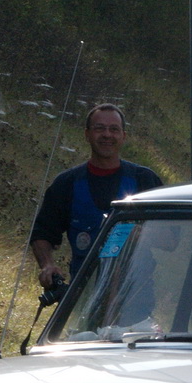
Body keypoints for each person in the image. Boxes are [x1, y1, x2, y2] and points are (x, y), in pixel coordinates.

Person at [30, 104, 163, 289]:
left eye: (114, 129)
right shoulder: (67, 183)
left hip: (136, 299)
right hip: (82, 297)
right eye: (99, 128)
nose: (107, 135)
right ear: (87, 134)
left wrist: (144, 234)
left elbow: (171, 239)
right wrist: (47, 265)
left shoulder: (145, 180)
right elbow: (42, 233)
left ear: (123, 136)